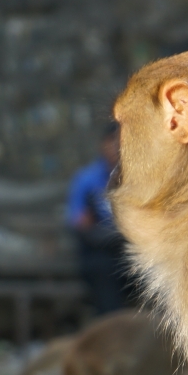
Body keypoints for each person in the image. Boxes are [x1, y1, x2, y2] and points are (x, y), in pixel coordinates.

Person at [66, 123, 133, 313]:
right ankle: (112, 327)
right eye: (113, 141)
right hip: (101, 254)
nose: (117, 148)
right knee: (102, 268)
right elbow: (81, 225)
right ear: (103, 145)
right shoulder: (87, 180)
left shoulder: (139, 179)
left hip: (132, 252)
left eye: (123, 142)